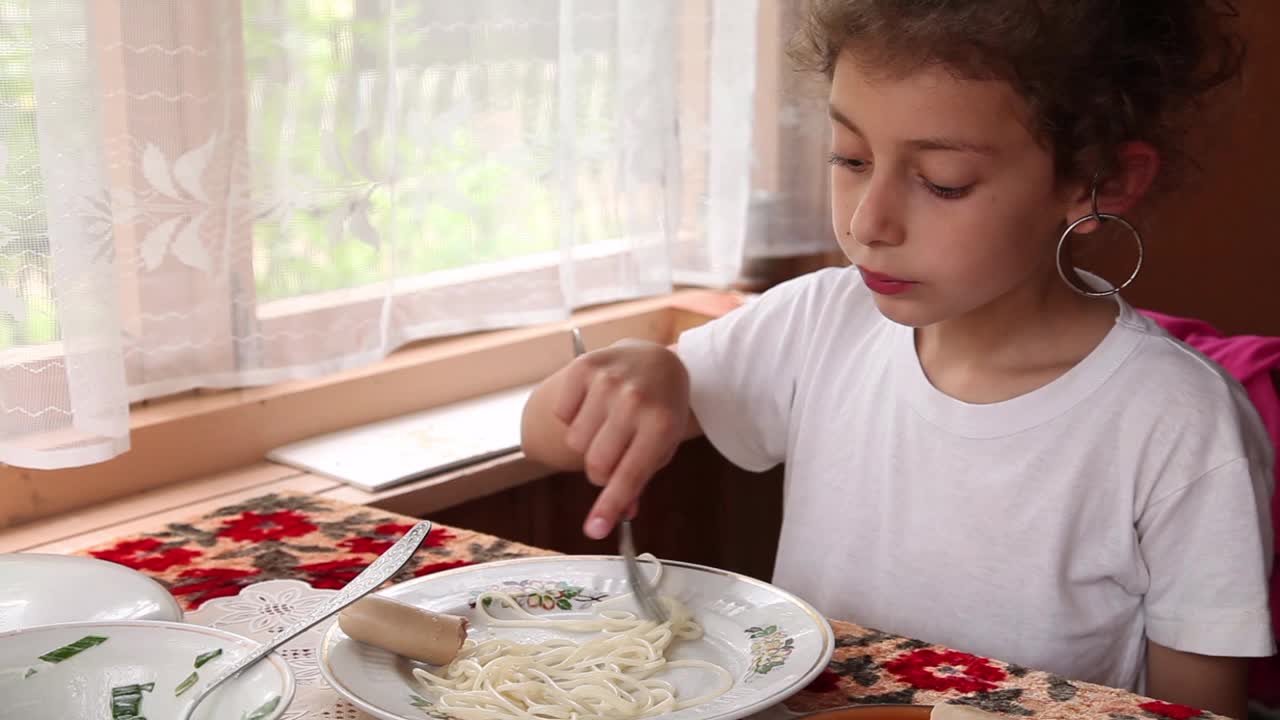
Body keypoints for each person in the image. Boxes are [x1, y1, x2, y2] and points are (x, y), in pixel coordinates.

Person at [520, 2, 1274, 717]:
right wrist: (647, 368)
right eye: (849, 157)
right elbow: (545, 437)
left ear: (1097, 182)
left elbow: (1195, 706)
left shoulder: (1179, 424)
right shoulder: (820, 322)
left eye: (943, 182)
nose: (867, 221)